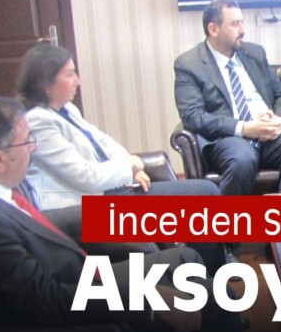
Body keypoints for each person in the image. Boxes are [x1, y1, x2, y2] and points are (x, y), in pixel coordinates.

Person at [0, 94, 244, 332]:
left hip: (80, 275)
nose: (33, 149)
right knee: (217, 298)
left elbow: (46, 223)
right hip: (77, 298)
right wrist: (144, 301)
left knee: (187, 258)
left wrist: (111, 215)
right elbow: (47, 300)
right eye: (27, 142)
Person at [17, 43, 227, 275]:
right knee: (203, 195)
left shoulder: (66, 110)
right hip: (83, 210)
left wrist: (132, 163)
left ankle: (211, 272)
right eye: (69, 75)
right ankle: (212, 276)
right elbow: (85, 177)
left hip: (111, 190)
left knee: (205, 193)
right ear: (45, 84)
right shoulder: (39, 122)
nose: (77, 81)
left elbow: (103, 141)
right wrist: (129, 168)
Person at [174, 0, 281, 195]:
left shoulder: (255, 53)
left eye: (242, 22)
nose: (243, 30)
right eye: (235, 24)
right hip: (229, 137)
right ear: (213, 29)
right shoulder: (189, 64)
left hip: (270, 132)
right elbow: (193, 116)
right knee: (242, 160)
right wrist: (245, 128)